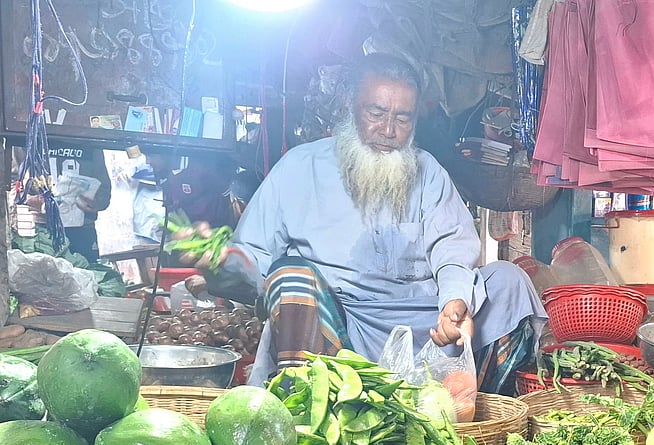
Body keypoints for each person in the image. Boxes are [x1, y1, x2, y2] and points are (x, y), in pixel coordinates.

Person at [188, 53, 546, 390]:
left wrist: (454, 302)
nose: (389, 130)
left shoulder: (429, 173)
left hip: (423, 323)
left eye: (403, 118)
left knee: (508, 281)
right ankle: (311, 415)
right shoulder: (299, 168)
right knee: (290, 277)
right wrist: (221, 266)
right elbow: (254, 258)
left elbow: (452, 248)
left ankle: (477, 413)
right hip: (337, 324)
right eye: (376, 112)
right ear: (350, 107)